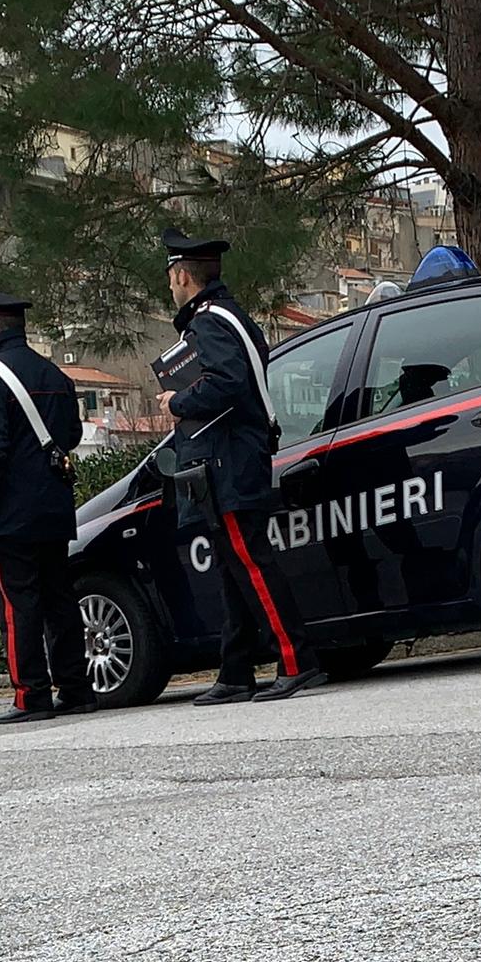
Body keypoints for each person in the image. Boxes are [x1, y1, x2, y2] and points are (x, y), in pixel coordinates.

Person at [156, 228, 327, 705]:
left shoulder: (208, 323)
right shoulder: (232, 316)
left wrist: (177, 401)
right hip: (235, 455)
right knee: (234, 568)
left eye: (172, 278)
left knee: (251, 563)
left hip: (226, 458)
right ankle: (236, 670)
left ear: (184, 275)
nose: (171, 287)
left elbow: (226, 383)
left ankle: (297, 661)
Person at [0, 280, 93, 725]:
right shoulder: (55, 374)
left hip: (9, 514)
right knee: (59, 599)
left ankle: (30, 694)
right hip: (54, 507)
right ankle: (76, 688)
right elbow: (72, 437)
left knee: (18, 605)